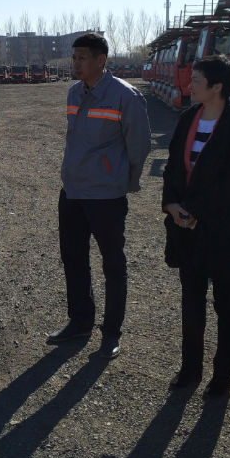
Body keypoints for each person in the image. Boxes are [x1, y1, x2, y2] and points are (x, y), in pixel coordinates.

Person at [48, 31, 151, 359]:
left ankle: (111, 333)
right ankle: (80, 321)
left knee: (112, 264)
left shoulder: (125, 96)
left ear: (101, 60)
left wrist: (122, 181)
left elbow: (139, 146)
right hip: (73, 192)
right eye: (74, 57)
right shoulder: (74, 92)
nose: (75, 64)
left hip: (106, 196)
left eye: (82, 58)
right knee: (73, 258)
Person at [161, 54, 230, 399]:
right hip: (186, 225)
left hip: (223, 227)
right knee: (191, 300)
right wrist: (171, 204)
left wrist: (196, 211)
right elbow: (173, 167)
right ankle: (190, 369)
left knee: (226, 302)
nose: (190, 85)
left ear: (217, 86)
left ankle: (222, 377)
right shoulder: (189, 117)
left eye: (197, 80)